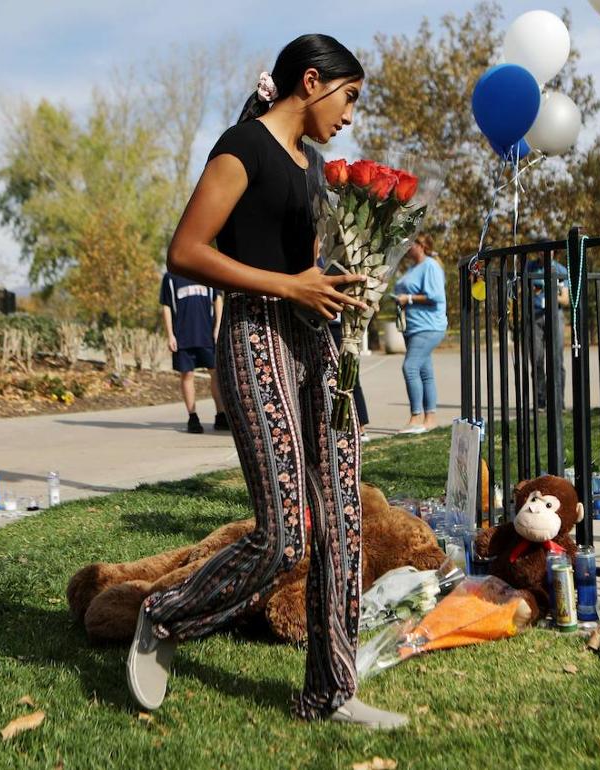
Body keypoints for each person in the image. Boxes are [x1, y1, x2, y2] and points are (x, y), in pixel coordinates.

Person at [125, 35, 408, 729]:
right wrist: (290, 285)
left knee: (340, 522)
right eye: (348, 97)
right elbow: (186, 251)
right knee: (286, 535)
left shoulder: (311, 166)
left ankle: (329, 690)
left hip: (320, 343)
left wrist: (345, 285)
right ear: (311, 81)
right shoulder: (241, 146)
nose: (350, 114)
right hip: (256, 338)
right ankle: (163, 614)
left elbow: (307, 263)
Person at [159, 270, 227, 433]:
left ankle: (221, 415)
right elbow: (166, 306)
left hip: (207, 335)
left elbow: (218, 299)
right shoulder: (171, 277)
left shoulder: (204, 272)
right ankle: (193, 417)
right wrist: (170, 335)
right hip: (183, 336)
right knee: (187, 375)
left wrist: (218, 326)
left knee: (215, 372)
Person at [393, 233, 447, 433]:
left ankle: (416, 417)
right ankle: (430, 419)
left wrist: (409, 299)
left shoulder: (430, 266)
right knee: (425, 372)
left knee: (410, 367)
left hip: (429, 327)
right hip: (413, 327)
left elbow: (436, 296)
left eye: (411, 244)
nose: (407, 248)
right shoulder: (412, 268)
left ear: (422, 245)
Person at [527, 251, 569, 411]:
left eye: (549, 251)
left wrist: (550, 292)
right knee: (537, 359)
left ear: (554, 252)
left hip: (554, 315)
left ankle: (559, 401)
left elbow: (565, 299)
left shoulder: (560, 270)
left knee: (557, 360)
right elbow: (522, 289)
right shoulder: (529, 267)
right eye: (541, 251)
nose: (544, 254)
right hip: (535, 316)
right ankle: (540, 401)